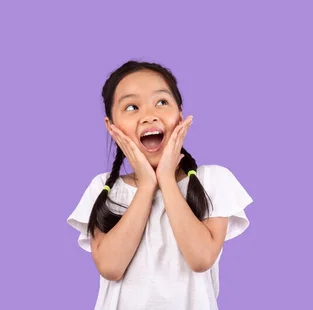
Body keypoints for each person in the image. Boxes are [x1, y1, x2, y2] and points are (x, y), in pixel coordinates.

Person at [66, 60, 253, 309]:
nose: (149, 116)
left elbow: (201, 258)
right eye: (132, 107)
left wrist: (166, 179)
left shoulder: (213, 180)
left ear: (179, 114)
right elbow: (111, 267)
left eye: (162, 102)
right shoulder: (102, 188)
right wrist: (146, 186)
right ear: (111, 126)